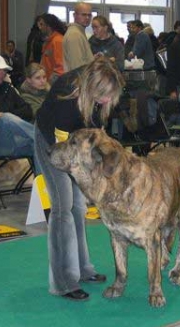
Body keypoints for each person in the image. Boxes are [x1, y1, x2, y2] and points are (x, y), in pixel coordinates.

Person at [34, 57, 125, 301]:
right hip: (55, 144)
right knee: (63, 208)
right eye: (104, 96)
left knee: (79, 206)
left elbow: (96, 136)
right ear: (93, 88)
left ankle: (83, 269)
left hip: (76, 143)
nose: (108, 102)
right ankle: (63, 282)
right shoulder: (68, 96)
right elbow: (62, 148)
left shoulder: (98, 97)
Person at [62, 2, 93, 72]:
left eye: (89, 15)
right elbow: (77, 67)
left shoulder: (79, 32)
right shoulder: (74, 35)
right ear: (74, 15)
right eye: (84, 15)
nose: (87, 18)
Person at [38, 13, 65, 84]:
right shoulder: (49, 41)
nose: (40, 27)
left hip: (53, 84)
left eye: (42, 24)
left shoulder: (57, 41)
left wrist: (49, 84)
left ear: (49, 26)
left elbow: (60, 68)